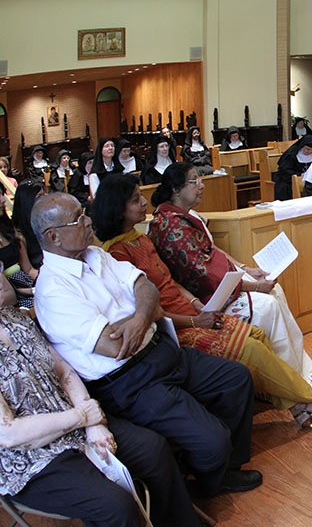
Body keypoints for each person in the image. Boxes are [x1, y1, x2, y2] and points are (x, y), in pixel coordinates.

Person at [32, 192, 262, 498]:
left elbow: (146, 287)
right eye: (79, 218)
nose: (89, 222)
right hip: (130, 382)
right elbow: (113, 346)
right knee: (213, 440)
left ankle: (222, 471)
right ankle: (206, 483)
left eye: (85, 213)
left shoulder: (96, 255)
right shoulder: (52, 290)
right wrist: (145, 313)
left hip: (161, 350)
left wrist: (139, 318)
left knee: (236, 379)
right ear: (54, 237)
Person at [94, 174, 312, 428]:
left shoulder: (140, 238)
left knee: (257, 335)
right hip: (174, 328)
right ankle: (307, 397)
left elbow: (171, 282)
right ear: (118, 208)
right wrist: (195, 319)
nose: (144, 203)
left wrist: (195, 304)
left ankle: (295, 404)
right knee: (252, 348)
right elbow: (150, 311)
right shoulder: (116, 253)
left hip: (189, 310)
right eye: (136, 200)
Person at [0, 276, 200, 526]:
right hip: (30, 459)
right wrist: (82, 417)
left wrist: (94, 424)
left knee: (153, 449)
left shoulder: (15, 319)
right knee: (113, 505)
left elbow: (63, 371)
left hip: (78, 423)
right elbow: (8, 434)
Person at [149, 163, 312, 390]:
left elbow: (212, 250)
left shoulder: (184, 215)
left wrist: (247, 269)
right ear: (176, 190)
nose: (201, 186)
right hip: (206, 297)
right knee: (268, 307)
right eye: (194, 181)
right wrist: (254, 287)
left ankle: (300, 371)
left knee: (276, 290)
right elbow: (204, 276)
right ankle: (291, 383)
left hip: (221, 281)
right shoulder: (171, 226)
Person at [0, 198, 37, 308]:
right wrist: (33, 291)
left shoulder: (7, 229)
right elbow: (7, 294)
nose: (3, 200)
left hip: (26, 283)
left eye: (2, 194)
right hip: (12, 297)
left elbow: (29, 269)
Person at [11, 181, 45, 273]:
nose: (44, 201)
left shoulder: (46, 222)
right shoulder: (19, 234)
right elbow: (29, 270)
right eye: (39, 197)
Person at [275, 135, 312, 201]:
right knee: (284, 186)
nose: (309, 152)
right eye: (307, 149)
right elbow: (284, 170)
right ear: (302, 146)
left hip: (308, 179)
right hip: (289, 178)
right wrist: (299, 175)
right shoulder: (292, 155)